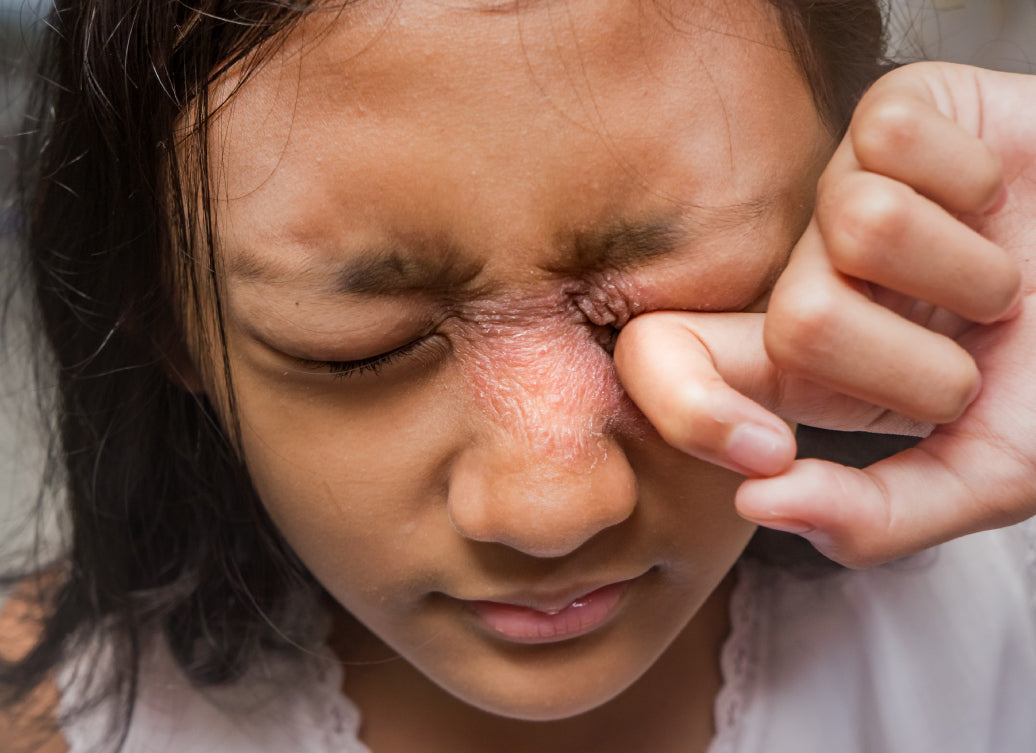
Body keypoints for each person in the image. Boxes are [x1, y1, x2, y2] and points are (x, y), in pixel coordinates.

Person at [0, 1, 1034, 752]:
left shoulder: (999, 622)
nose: (551, 509)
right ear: (163, 312)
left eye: (679, 294)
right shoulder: (46, 721)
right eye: (355, 342)